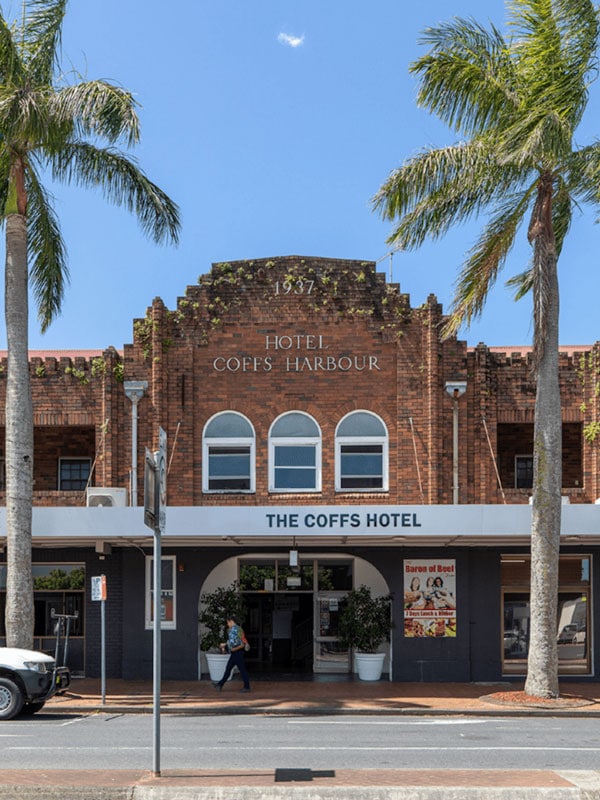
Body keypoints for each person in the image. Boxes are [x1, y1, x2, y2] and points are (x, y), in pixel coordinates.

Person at [213, 615, 251, 693]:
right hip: (237, 653)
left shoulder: (232, 630)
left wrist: (233, 647)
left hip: (236, 653)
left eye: (227, 622)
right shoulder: (239, 629)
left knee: (237, 670)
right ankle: (220, 684)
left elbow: (235, 643)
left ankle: (247, 687)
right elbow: (241, 639)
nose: (227, 624)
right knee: (231, 669)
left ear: (231, 621)